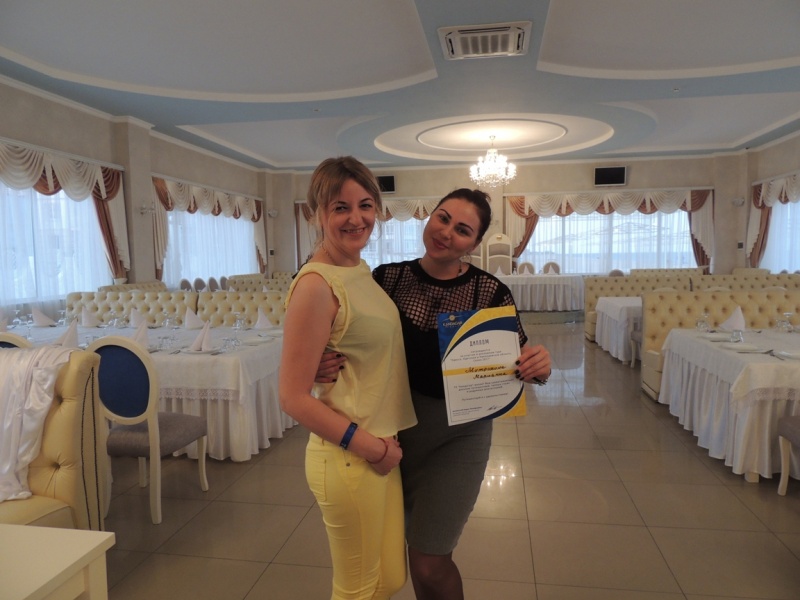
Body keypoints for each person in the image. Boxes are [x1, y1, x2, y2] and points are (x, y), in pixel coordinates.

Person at [318, 188, 552, 599]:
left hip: (458, 437)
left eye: (462, 230)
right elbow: (347, 335)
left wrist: (538, 367)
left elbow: (518, 362)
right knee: (393, 554)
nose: (446, 232)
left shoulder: (490, 292)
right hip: (388, 432)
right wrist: (322, 360)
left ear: (474, 244)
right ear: (429, 218)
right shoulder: (386, 279)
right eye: (442, 218)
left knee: (429, 559)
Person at [279, 156, 417, 600]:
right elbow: (292, 397)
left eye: (365, 205)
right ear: (317, 214)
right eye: (341, 207)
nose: (356, 218)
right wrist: (373, 448)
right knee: (358, 590)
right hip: (350, 454)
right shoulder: (316, 284)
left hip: (380, 446)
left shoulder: (358, 269)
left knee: (389, 579)